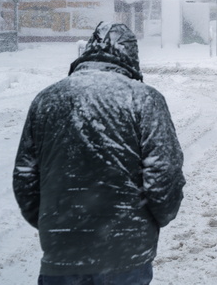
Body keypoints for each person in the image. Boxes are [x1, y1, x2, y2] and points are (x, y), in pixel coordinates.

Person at [13, 22, 185, 284]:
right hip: (126, 250)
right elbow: (164, 174)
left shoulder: (46, 99)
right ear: (131, 56)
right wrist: (155, 219)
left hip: (61, 253)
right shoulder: (145, 99)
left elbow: (25, 177)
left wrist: (57, 225)